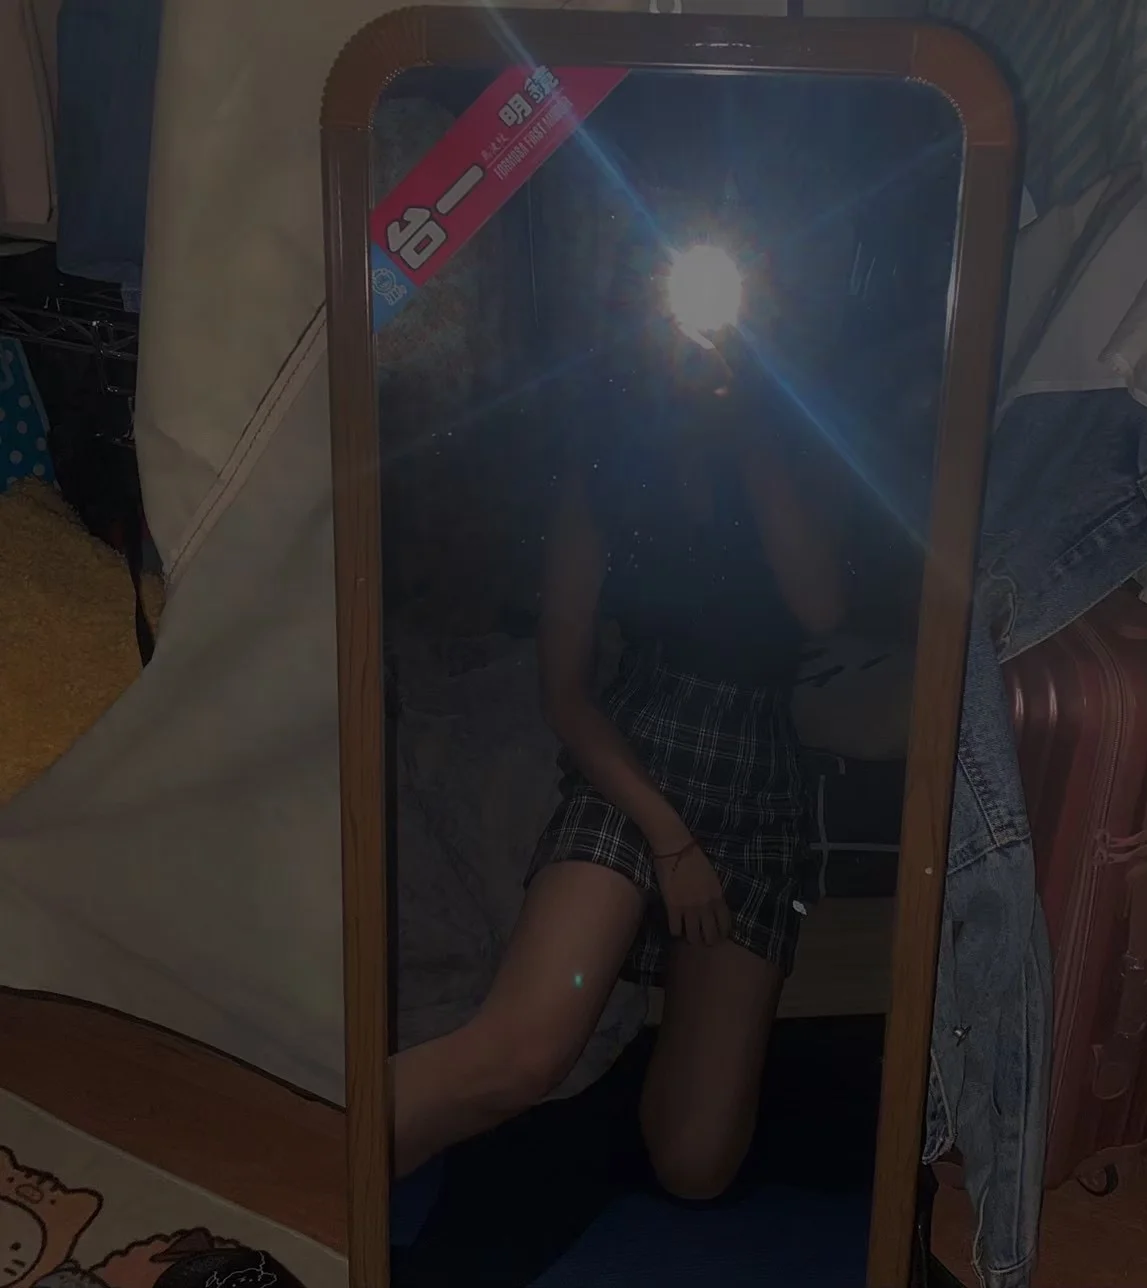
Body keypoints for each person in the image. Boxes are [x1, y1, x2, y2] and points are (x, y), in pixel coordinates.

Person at [392, 205, 848, 1200]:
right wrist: (668, 840)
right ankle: (300, 1162)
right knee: (519, 1056)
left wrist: (748, 424)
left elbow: (822, 606)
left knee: (695, 1164)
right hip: (637, 756)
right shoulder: (601, 480)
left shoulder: (779, 450)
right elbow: (566, 693)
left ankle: (644, 984)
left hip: (759, 777)